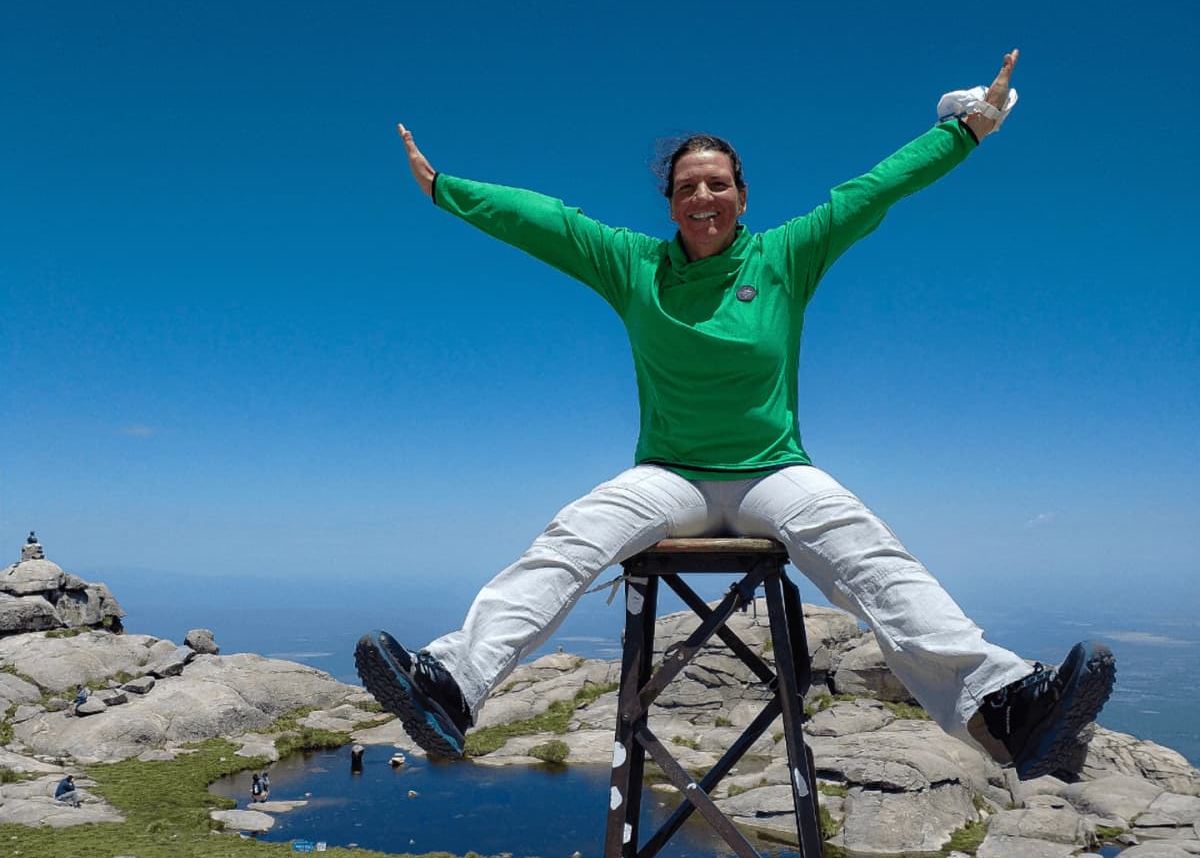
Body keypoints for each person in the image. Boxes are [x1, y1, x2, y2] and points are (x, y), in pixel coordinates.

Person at [357, 51, 1115, 782]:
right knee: (571, 539)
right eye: (688, 187)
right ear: (670, 202)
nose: (703, 198)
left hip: (773, 474)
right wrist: (444, 189)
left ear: (742, 196)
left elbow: (876, 189)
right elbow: (546, 222)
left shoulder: (785, 257)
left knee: (869, 555)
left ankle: (1004, 705)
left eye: (718, 184)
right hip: (670, 478)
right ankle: (452, 683)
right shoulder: (633, 266)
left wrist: (968, 128)